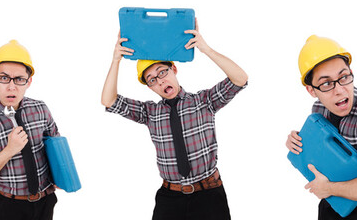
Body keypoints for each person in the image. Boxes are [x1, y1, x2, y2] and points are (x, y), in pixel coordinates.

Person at [101, 22, 248, 220]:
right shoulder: (149, 112)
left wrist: (206, 49)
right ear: (150, 87)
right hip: (170, 199)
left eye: (162, 72)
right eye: (152, 79)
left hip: (209, 196)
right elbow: (108, 100)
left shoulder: (204, 101)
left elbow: (240, 78)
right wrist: (115, 60)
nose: (160, 81)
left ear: (174, 69)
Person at [286, 35, 357, 219]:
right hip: (332, 205)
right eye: (326, 83)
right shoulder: (319, 109)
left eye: (344, 77)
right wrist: (299, 142)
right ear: (312, 90)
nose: (339, 90)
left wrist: (327, 188)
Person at [0, 40, 62, 220]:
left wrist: (61, 176)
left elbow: (56, 147)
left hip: (46, 201)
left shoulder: (40, 109)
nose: (11, 86)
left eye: (19, 79)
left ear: (29, 81)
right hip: (10, 207)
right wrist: (9, 150)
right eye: (4, 78)